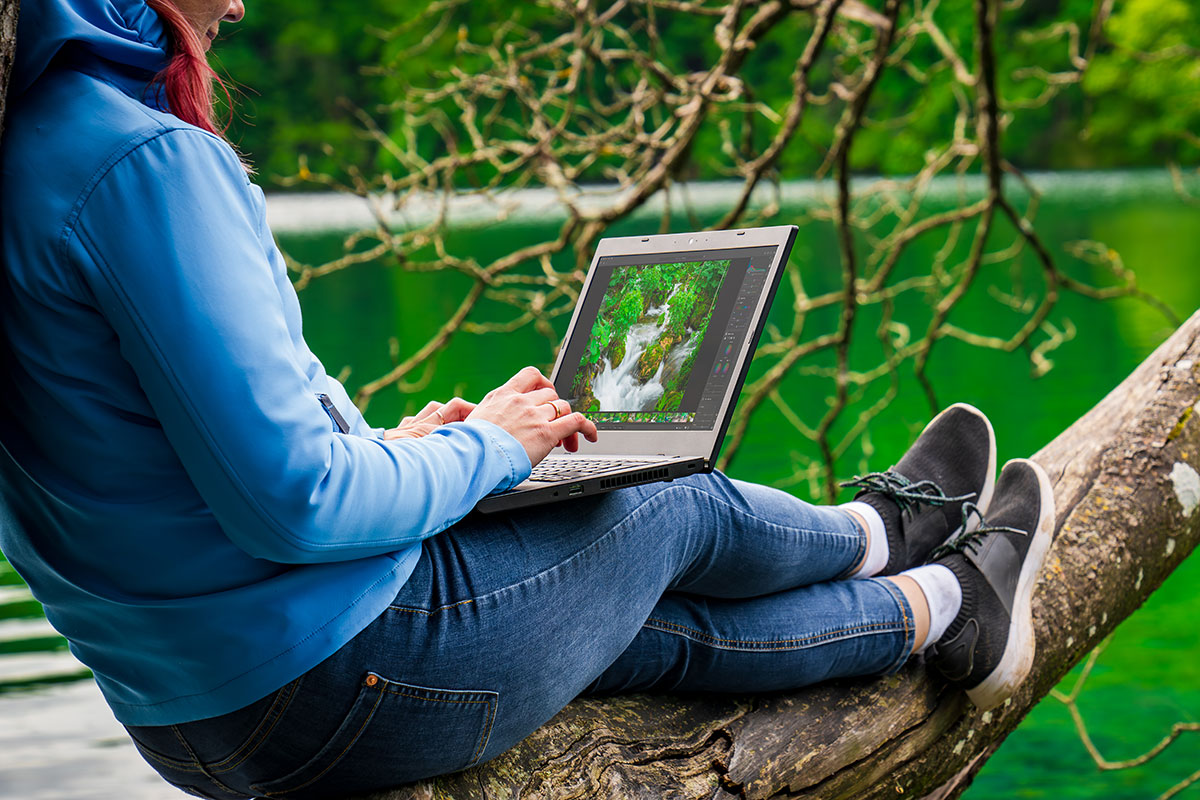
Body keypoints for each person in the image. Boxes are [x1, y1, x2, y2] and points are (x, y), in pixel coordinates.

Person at [0, 1, 1055, 798]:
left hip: (190, 720)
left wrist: (397, 445)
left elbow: (152, 455)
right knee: (660, 503)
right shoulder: (143, 160)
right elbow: (298, 505)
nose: (236, 6)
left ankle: (944, 608)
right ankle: (886, 532)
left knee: (647, 624)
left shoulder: (35, 149)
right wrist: (495, 449)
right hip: (333, 677)